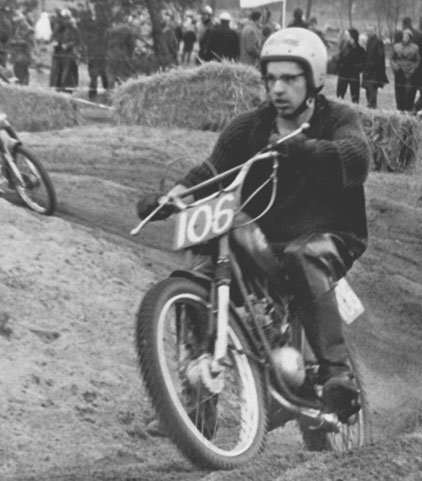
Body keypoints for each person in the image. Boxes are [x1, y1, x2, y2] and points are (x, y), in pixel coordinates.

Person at [137, 27, 370, 419]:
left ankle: (337, 373)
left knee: (303, 254)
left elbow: (356, 157)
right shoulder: (250, 127)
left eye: (290, 79)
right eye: (271, 78)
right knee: (199, 279)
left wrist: (306, 150)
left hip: (330, 233)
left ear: (313, 79)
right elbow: (211, 170)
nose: (278, 88)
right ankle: (195, 414)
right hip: (266, 235)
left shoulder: (337, 119)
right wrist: (172, 198)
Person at [50, 8, 81, 92]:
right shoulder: (58, 26)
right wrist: (55, 42)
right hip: (58, 51)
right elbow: (53, 37)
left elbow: (77, 40)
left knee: (67, 72)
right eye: (62, 18)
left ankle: (66, 89)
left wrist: (68, 45)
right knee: (56, 70)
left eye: (65, 19)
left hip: (68, 53)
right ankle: (56, 88)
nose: (63, 21)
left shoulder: (73, 28)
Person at [390, 29, 420, 111]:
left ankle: (408, 109)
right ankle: (400, 108)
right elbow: (392, 58)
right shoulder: (396, 46)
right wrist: (395, 67)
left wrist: (412, 68)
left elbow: (417, 60)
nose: (405, 38)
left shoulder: (415, 48)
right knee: (399, 90)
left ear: (410, 38)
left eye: (407, 36)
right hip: (399, 71)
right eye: (404, 36)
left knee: (409, 91)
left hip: (409, 72)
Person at [336, 29, 365, 104]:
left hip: (354, 76)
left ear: (352, 37)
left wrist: (358, 69)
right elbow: (339, 59)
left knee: (355, 97)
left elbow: (364, 63)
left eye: (347, 35)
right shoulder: (344, 48)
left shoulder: (360, 50)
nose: (345, 37)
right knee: (339, 96)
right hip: (343, 75)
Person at [362, 25, 388, 109]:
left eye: (370, 31)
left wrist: (373, 64)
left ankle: (372, 105)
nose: (368, 32)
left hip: (375, 70)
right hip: (367, 69)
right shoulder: (368, 40)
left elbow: (381, 56)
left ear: (374, 31)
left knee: (372, 87)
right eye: (367, 31)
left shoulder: (378, 41)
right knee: (367, 87)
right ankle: (370, 103)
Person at [10, 11, 34, 85]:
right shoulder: (19, 28)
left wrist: (16, 42)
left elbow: (30, 43)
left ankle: (24, 86)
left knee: (23, 72)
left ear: (23, 21)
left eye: (19, 22)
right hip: (17, 53)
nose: (18, 24)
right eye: (17, 22)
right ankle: (19, 85)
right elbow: (15, 37)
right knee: (16, 71)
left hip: (24, 54)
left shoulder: (29, 30)